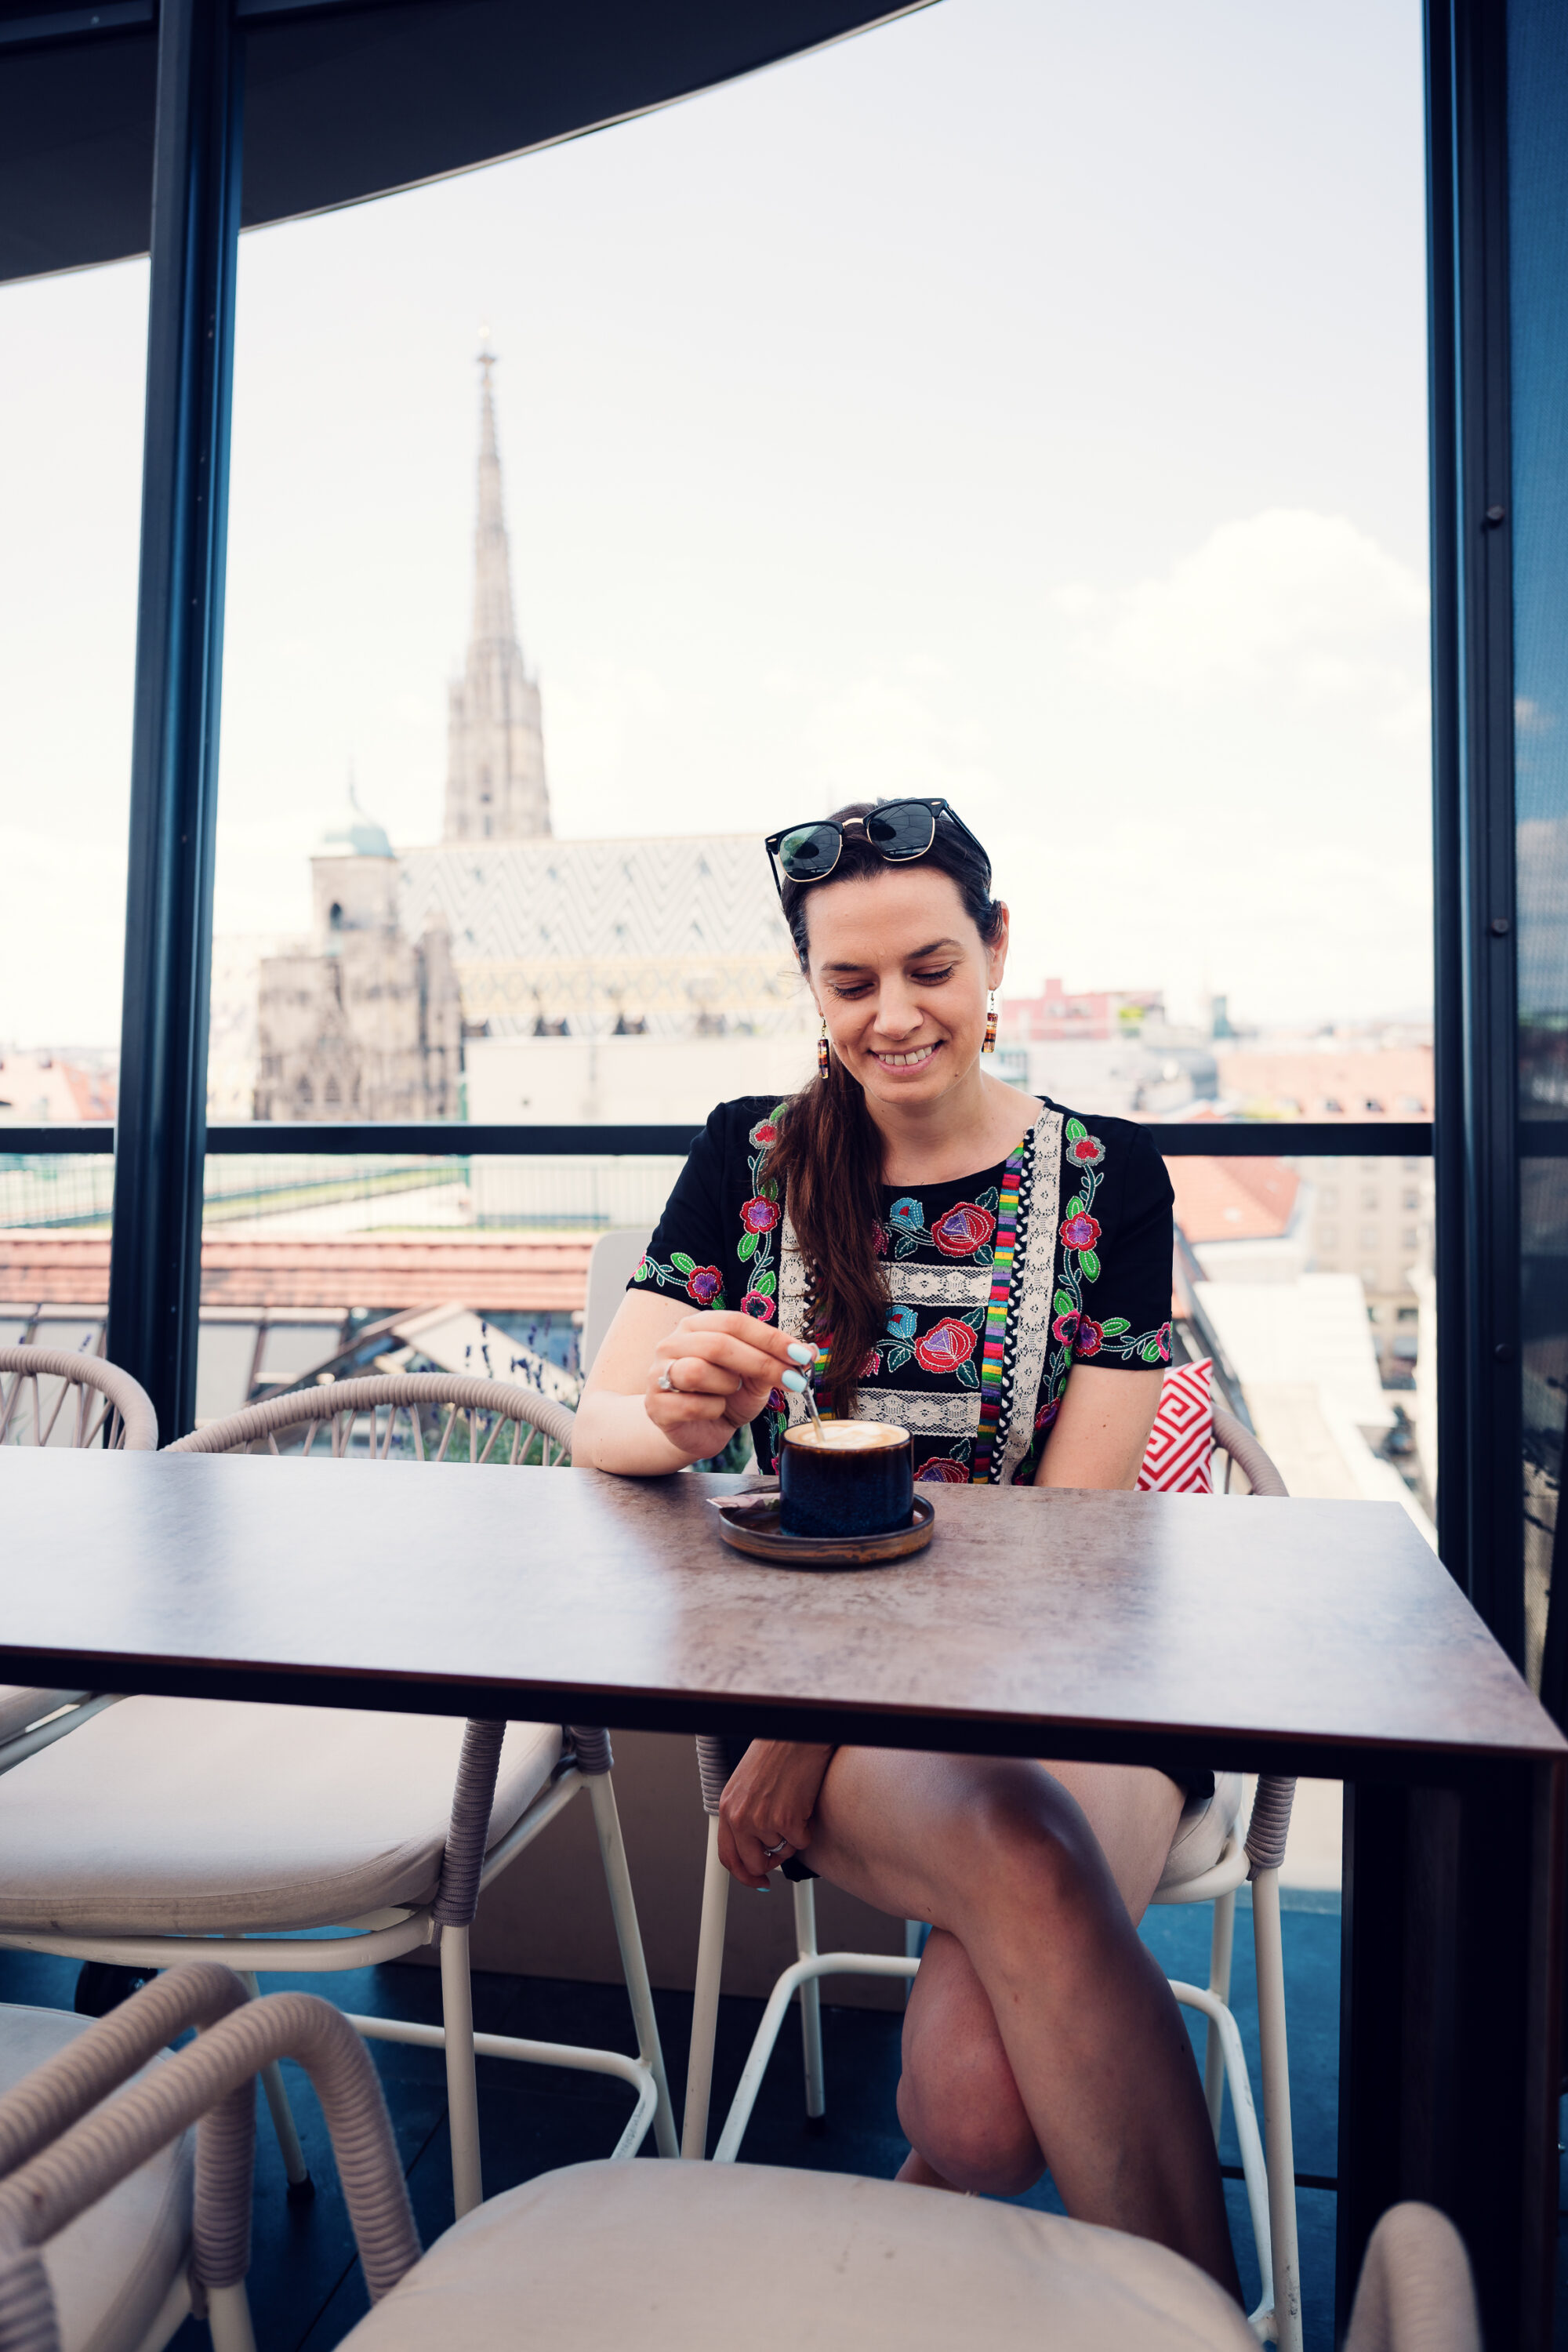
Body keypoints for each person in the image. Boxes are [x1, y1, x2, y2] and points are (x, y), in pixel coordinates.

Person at [573, 797, 1240, 2299]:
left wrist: (816, 1733)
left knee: (977, 2109)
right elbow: (598, 1429)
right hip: (831, 1689)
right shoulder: (750, 1162)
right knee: (1006, 1948)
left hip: (1068, 1677)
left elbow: (1066, 1539)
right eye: (850, 983)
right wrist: (681, 1417)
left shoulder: (1110, 1180)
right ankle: (1199, 2322)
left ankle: (905, 2284)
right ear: (811, 990)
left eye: (930, 968)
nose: (895, 1017)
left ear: (996, 954)